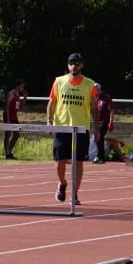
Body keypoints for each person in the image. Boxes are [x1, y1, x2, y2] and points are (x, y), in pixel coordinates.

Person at [45, 52, 98, 204]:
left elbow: (94, 107)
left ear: (82, 65)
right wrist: (49, 121)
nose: (74, 66)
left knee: (78, 162)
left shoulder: (89, 84)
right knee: (59, 162)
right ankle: (62, 183)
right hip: (62, 127)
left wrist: (97, 127)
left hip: (80, 128)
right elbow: (52, 102)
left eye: (77, 63)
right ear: (68, 65)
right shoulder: (59, 81)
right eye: (71, 63)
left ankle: (74, 194)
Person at [3, 80, 27, 159]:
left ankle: (10, 151)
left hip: (14, 117)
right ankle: (7, 153)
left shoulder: (17, 95)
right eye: (22, 86)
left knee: (17, 134)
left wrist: (24, 98)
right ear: (17, 86)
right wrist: (8, 119)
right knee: (8, 134)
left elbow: (20, 107)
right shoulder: (11, 94)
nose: (23, 88)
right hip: (8, 116)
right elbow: (6, 106)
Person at [91, 86, 115, 163]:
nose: (96, 92)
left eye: (97, 90)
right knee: (98, 138)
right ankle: (101, 156)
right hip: (97, 122)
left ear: (100, 89)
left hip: (104, 122)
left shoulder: (106, 98)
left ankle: (100, 156)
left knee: (100, 137)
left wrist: (111, 121)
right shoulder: (94, 98)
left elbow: (111, 110)